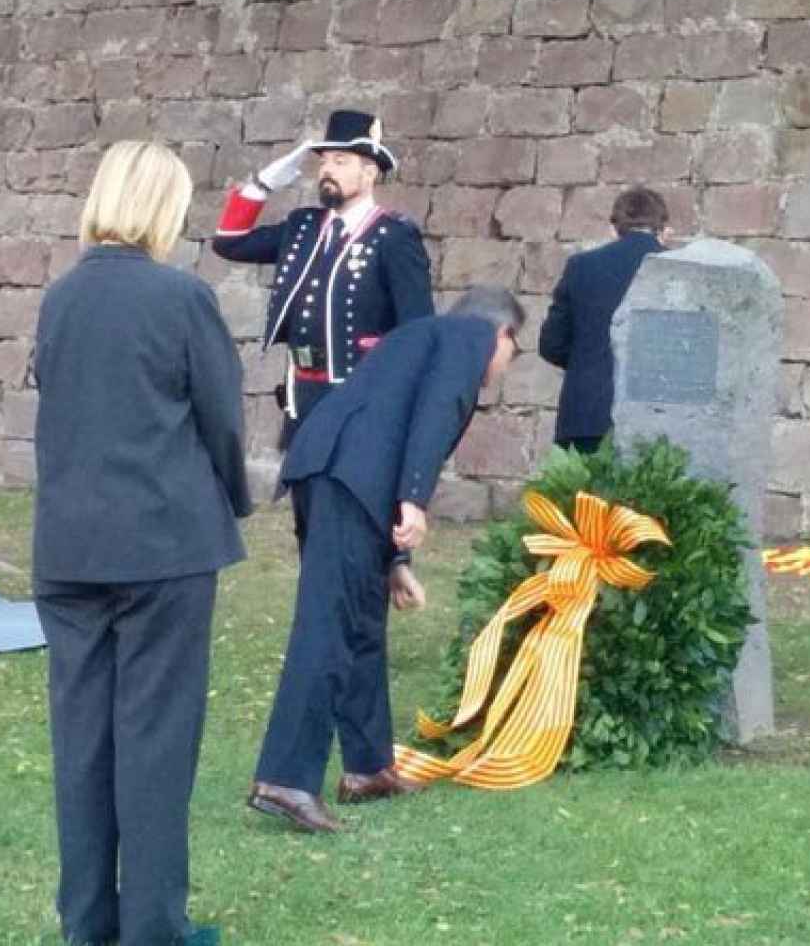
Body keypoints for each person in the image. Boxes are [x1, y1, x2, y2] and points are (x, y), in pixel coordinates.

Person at [33, 140, 248, 946]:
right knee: (155, 742)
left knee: (82, 744)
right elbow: (223, 417)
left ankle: (88, 920)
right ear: (162, 206)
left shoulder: (59, 298)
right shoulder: (179, 297)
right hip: (163, 543)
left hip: (70, 546)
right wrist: (234, 495)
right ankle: (154, 924)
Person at [247, 286, 524, 834]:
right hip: (347, 478)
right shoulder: (468, 336)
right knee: (328, 624)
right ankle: (285, 778)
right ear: (502, 334)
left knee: (361, 621)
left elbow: (392, 425)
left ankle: (367, 767)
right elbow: (434, 417)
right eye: (514, 350)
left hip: (340, 473)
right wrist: (415, 501)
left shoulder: (423, 338)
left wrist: (395, 560)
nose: (507, 365)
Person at [211, 107, 436, 614]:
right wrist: (270, 178)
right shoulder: (303, 227)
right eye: (323, 161)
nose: (327, 170)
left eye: (341, 160)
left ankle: (362, 608)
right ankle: (318, 614)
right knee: (309, 516)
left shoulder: (393, 236)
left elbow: (419, 333)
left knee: (359, 513)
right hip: (304, 397)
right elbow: (228, 243)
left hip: (361, 402)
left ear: (370, 170)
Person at [539, 187, 669, 453]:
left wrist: (586, 361)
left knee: (583, 495)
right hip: (656, 422)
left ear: (614, 227)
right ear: (663, 228)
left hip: (586, 415)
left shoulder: (581, 266)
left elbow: (552, 344)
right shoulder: (677, 268)